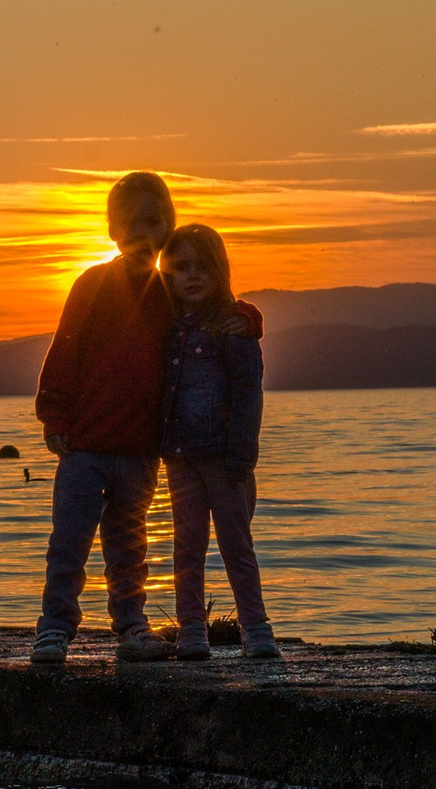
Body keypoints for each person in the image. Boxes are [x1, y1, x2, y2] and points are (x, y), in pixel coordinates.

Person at [29, 170, 177, 673]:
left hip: (139, 450)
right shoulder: (92, 283)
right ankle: (54, 628)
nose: (140, 232)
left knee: (129, 546)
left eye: (152, 221)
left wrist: (246, 320)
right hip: (85, 448)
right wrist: (53, 412)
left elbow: (216, 310)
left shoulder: (173, 290)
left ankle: (131, 626)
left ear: (168, 227)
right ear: (111, 231)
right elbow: (64, 348)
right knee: (68, 544)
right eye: (128, 223)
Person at [156, 221, 283, 672]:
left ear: (220, 271)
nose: (192, 276)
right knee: (186, 546)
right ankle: (192, 629)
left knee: (236, 545)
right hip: (180, 455)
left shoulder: (232, 328)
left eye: (202, 267)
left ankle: (256, 627)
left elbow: (249, 394)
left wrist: (243, 455)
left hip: (225, 458)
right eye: (181, 267)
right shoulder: (168, 327)